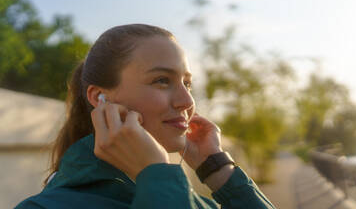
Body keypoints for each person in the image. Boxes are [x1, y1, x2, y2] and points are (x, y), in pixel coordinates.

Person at [15, 24, 275, 209]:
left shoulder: (184, 195)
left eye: (187, 83)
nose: (187, 101)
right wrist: (156, 173)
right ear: (99, 98)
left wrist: (216, 168)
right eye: (162, 80)